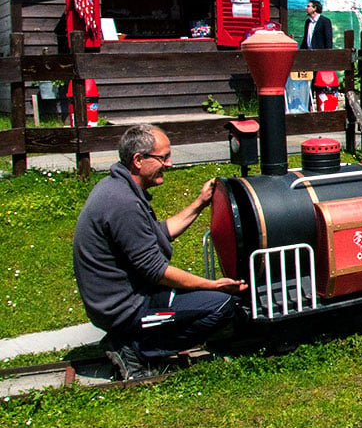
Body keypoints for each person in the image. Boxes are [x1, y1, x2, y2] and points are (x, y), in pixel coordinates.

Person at [73, 124, 246, 380]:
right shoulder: (123, 204)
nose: (169, 164)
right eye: (162, 157)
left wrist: (200, 202)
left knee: (205, 297)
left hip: (120, 297)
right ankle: (134, 348)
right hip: (126, 307)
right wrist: (212, 285)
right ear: (138, 160)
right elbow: (156, 271)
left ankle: (132, 339)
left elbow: (160, 232)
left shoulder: (117, 188)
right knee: (221, 305)